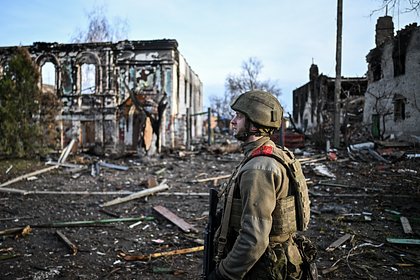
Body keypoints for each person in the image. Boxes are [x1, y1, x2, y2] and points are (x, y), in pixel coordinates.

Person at [208, 90, 313, 280]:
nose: (233, 121)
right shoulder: (273, 153)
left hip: (264, 267)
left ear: (255, 124)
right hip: (276, 258)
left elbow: (254, 238)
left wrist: (223, 274)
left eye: (239, 116)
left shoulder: (258, 169)